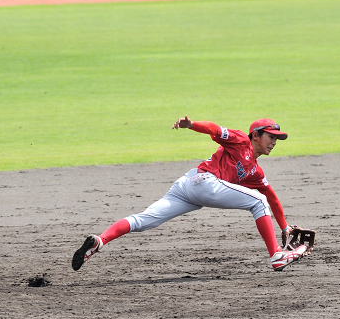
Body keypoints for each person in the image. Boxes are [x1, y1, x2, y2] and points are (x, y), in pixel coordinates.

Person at [72, 116, 308, 272]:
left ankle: (99, 241)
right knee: (257, 201)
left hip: (189, 186)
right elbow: (214, 129)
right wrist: (192, 124)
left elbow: (272, 195)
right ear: (255, 134)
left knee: (143, 220)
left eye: (277, 138)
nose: (274, 142)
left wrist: (285, 227)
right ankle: (276, 255)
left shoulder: (255, 170)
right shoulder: (240, 141)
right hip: (201, 182)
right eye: (270, 136)